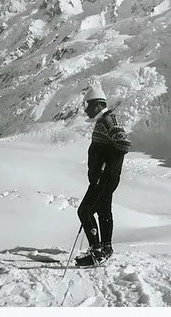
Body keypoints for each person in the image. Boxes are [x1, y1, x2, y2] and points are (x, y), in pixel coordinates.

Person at [75, 84, 131, 267]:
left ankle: (96, 252)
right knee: (103, 211)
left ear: (98, 104)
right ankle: (106, 249)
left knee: (84, 210)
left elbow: (124, 143)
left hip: (104, 179)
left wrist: (106, 166)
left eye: (88, 106)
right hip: (106, 178)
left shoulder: (108, 120)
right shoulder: (105, 120)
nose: (86, 111)